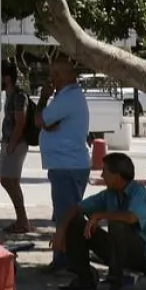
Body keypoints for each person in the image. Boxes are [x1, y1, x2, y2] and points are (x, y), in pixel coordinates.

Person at [52, 152, 146, 290]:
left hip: (140, 255)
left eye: (105, 171)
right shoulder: (109, 194)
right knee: (76, 221)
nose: (102, 175)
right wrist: (60, 232)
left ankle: (115, 280)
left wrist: (100, 215)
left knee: (118, 224)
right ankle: (84, 277)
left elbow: (132, 218)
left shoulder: (138, 193)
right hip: (116, 250)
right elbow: (75, 208)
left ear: (117, 176)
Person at [38, 57, 92, 271]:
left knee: (66, 216)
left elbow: (40, 120)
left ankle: (65, 260)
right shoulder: (66, 97)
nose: (52, 79)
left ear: (63, 75)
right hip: (66, 163)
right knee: (66, 213)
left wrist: (43, 97)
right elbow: (48, 123)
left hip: (67, 165)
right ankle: (67, 258)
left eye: (55, 74)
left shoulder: (68, 98)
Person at [0, 61, 32, 233]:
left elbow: (20, 122)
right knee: (11, 182)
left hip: (16, 144)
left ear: (7, 78)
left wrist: (11, 144)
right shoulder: (9, 95)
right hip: (10, 142)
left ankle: (23, 220)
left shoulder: (19, 96)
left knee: (8, 181)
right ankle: (21, 220)